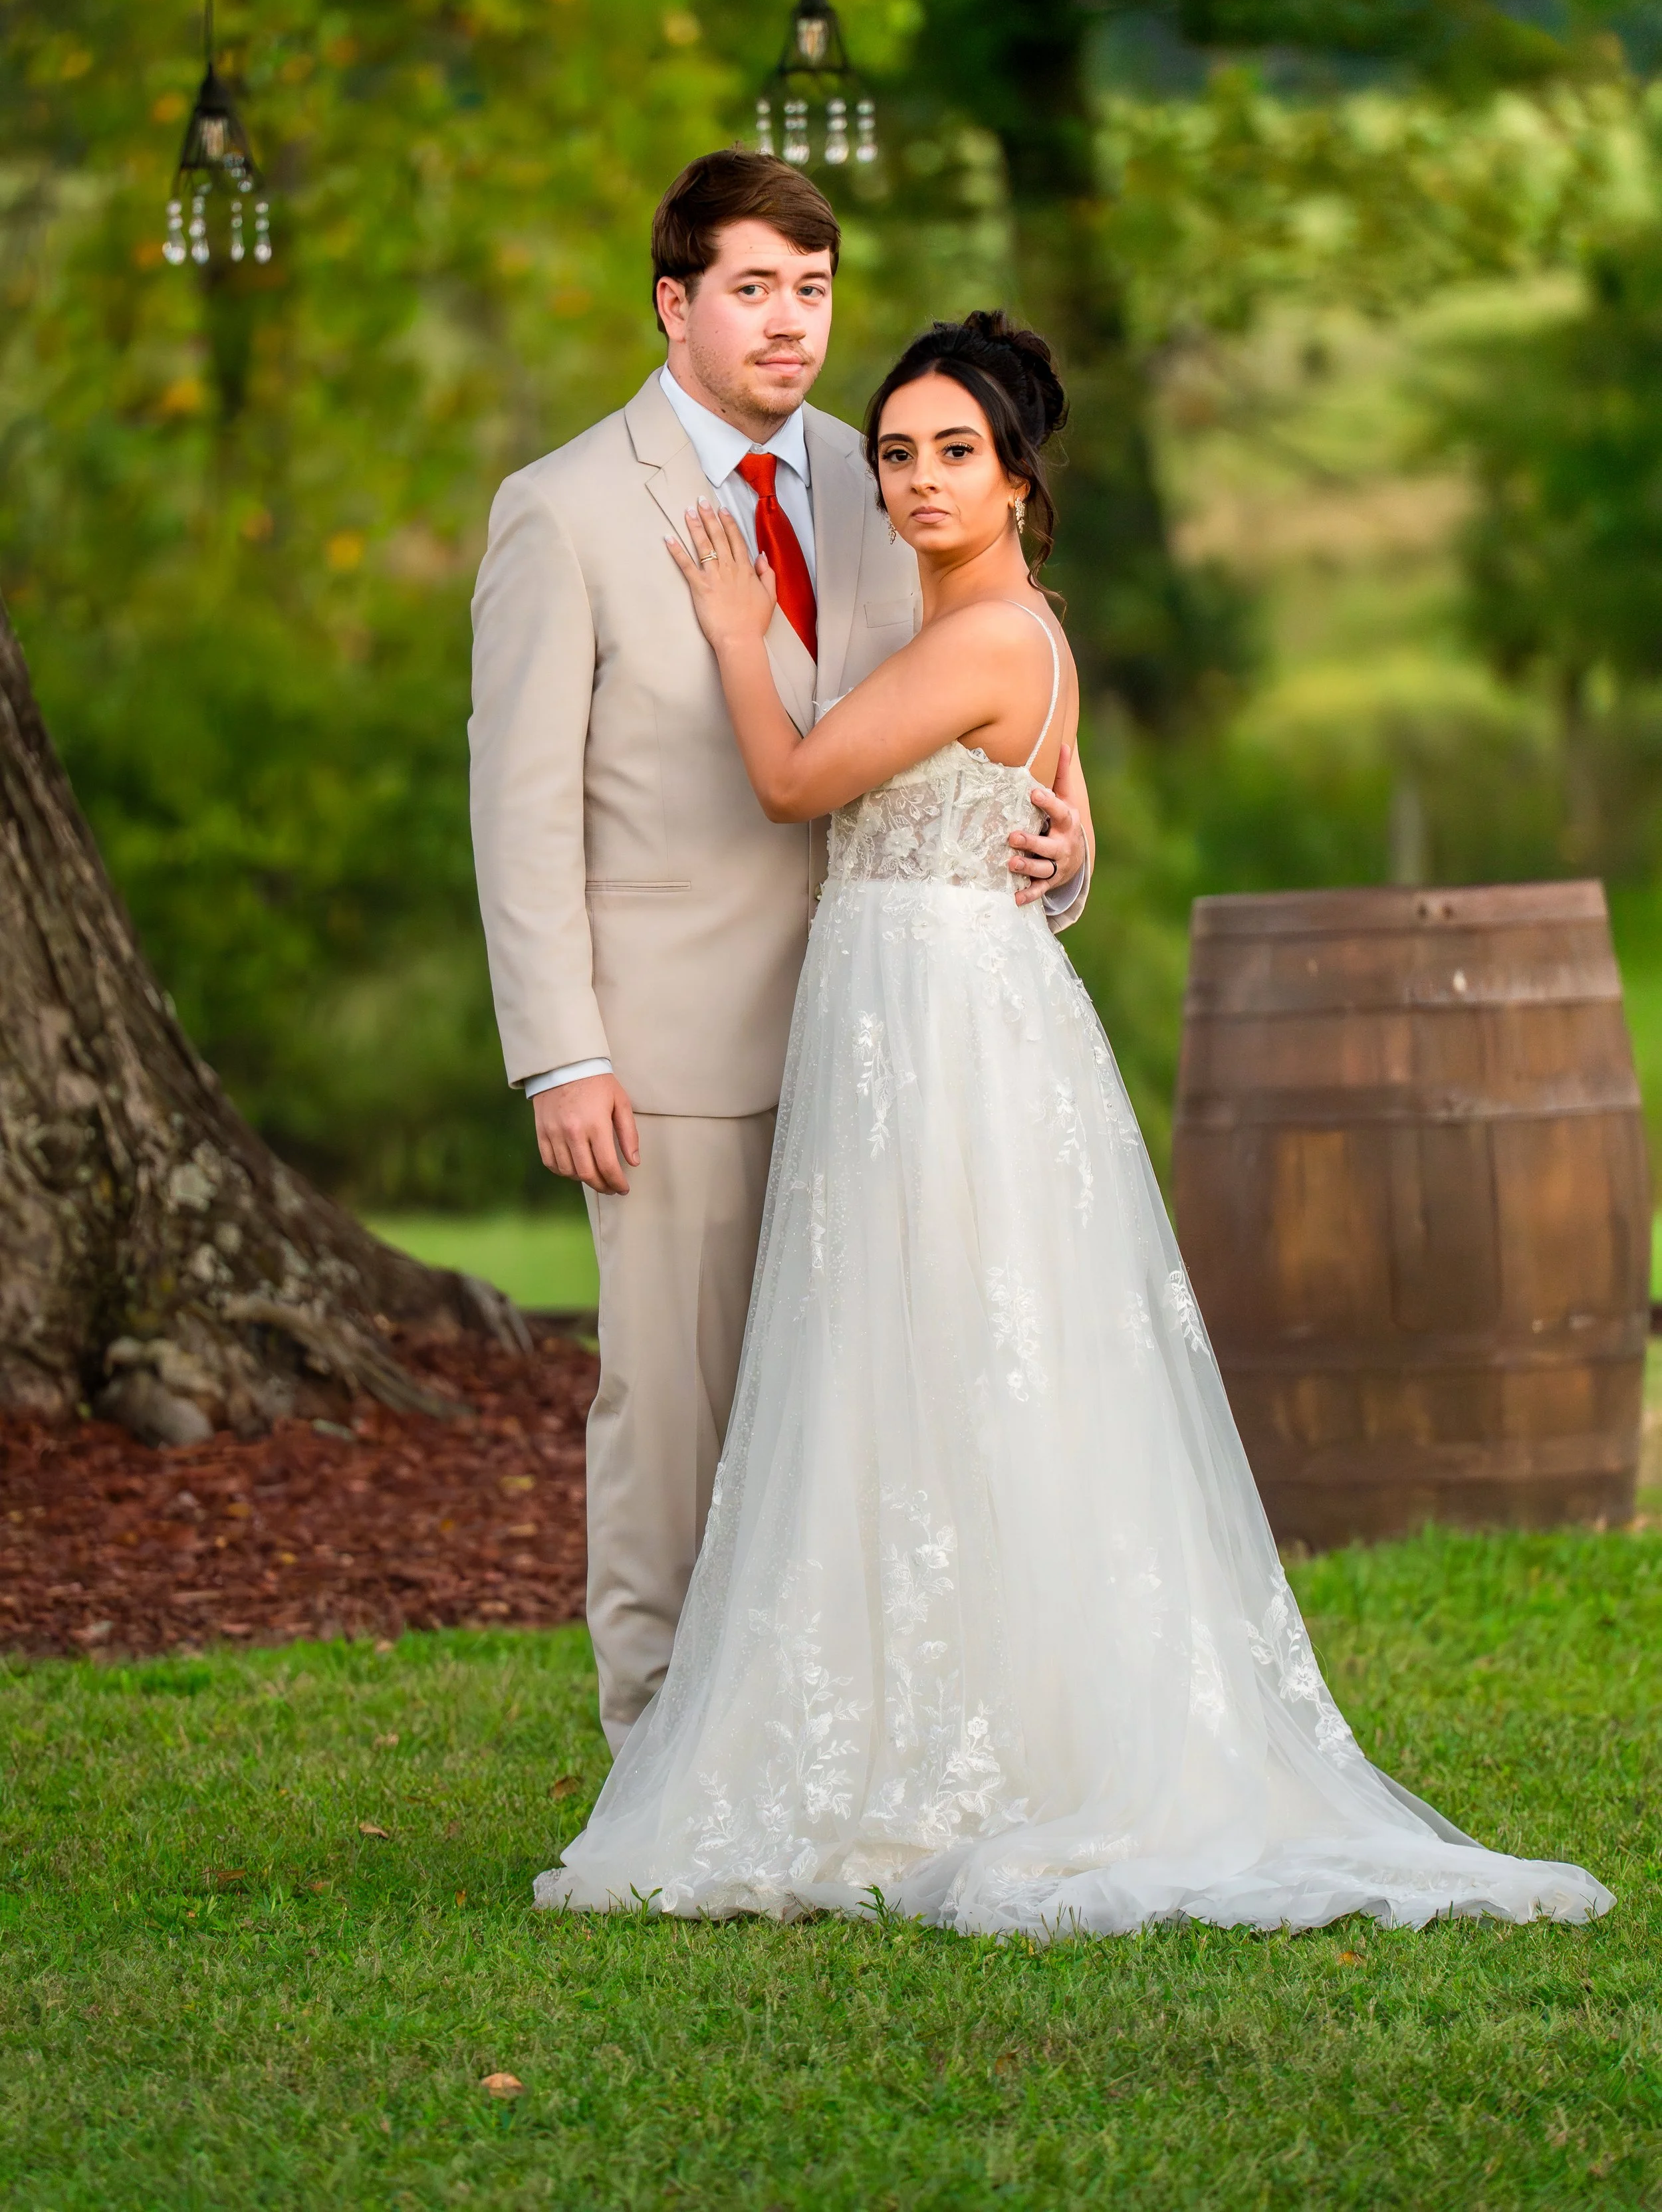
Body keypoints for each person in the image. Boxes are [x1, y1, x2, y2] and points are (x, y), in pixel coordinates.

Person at [537, 310, 1613, 1938]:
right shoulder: (994, 627)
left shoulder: (985, 635)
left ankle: (984, 1743)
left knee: (948, 1349)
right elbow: (1057, 799)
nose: (912, 480)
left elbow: (790, 782)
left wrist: (734, 624)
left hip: (943, 1030)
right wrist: (1070, 845)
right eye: (893, 451)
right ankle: (945, 1705)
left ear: (1020, 477)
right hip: (915, 1005)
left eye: (950, 452)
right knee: (926, 1367)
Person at [469, 156, 1090, 1757]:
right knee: (669, 1421)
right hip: (664, 1054)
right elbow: (518, 806)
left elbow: (973, 715)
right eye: (753, 288)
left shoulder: (882, 471)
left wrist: (1063, 850)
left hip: (881, 1041)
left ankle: (825, 1749)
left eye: (813, 289)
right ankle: (657, 1758)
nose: (790, 323)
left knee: (851, 1424)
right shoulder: (563, 509)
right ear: (673, 304)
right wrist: (562, 1049)